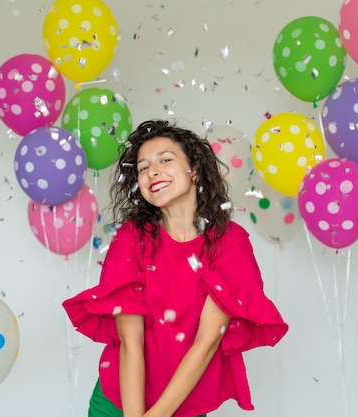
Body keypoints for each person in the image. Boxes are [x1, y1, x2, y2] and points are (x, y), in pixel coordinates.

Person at [63, 119, 289, 417]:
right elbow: (131, 341)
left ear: (194, 169)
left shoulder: (229, 242)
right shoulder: (131, 237)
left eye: (165, 160)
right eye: (143, 167)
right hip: (117, 404)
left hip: (184, 406)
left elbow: (207, 342)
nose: (152, 171)